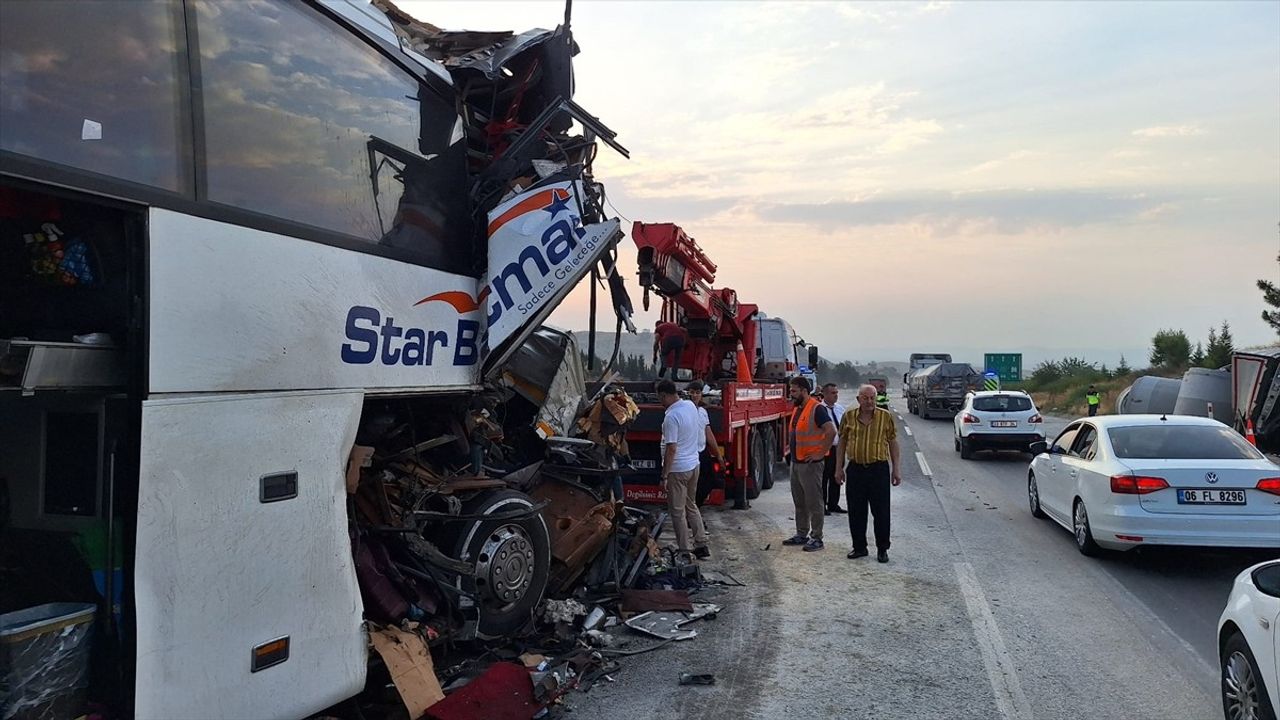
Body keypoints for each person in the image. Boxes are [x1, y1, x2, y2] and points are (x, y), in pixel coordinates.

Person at [836, 384, 901, 563]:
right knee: (856, 511)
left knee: (881, 512)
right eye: (865, 398)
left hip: (878, 469)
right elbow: (842, 443)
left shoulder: (885, 417)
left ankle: (882, 549)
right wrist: (838, 468)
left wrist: (896, 469)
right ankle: (859, 547)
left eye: (872, 397)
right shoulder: (848, 416)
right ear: (858, 400)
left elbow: (893, 442)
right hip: (856, 469)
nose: (869, 401)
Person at [781, 376, 837, 552]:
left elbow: (831, 431)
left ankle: (817, 537)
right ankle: (801, 534)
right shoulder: (798, 408)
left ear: (804, 391)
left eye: (794, 391)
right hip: (797, 462)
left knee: (814, 501)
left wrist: (820, 453)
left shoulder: (817, 408)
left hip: (811, 464)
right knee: (799, 501)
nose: (791, 394)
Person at [657, 379, 710, 560]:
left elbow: (671, 449)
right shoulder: (689, 406)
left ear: (664, 395)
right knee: (691, 505)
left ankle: (684, 550)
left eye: (660, 398)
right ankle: (701, 543)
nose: (660, 402)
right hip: (694, 464)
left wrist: (664, 475)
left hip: (678, 469)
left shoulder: (671, 417)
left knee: (677, 511)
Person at [687, 381, 726, 507]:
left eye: (697, 393)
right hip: (689, 453)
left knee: (710, 481)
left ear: (701, 395)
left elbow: (708, 434)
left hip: (702, 452)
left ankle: (696, 506)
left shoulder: (703, 412)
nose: (694, 396)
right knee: (691, 485)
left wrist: (719, 457)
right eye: (692, 392)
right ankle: (690, 511)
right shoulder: (684, 411)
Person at [819, 383, 847, 515]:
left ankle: (833, 504)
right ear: (824, 394)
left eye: (836, 393)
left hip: (838, 448)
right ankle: (822, 504)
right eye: (832, 393)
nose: (836, 395)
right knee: (823, 478)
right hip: (825, 448)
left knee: (837, 476)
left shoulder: (840, 409)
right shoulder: (819, 409)